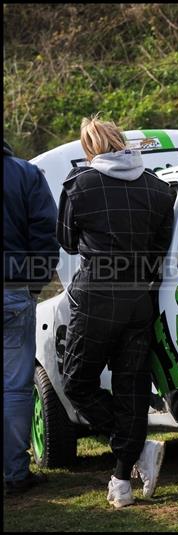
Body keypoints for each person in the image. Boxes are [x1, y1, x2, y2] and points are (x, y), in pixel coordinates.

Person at [58, 115, 175, 507]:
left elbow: (69, 243)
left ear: (90, 149)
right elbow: (162, 246)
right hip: (140, 298)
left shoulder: (79, 185)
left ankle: (136, 451)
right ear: (123, 142)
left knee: (77, 384)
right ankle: (122, 483)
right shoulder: (159, 189)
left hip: (96, 297)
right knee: (132, 390)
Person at [4, 140, 60, 496]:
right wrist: (34, 285)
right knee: (14, 387)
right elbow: (45, 233)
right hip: (13, 290)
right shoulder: (25, 174)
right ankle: (14, 473)